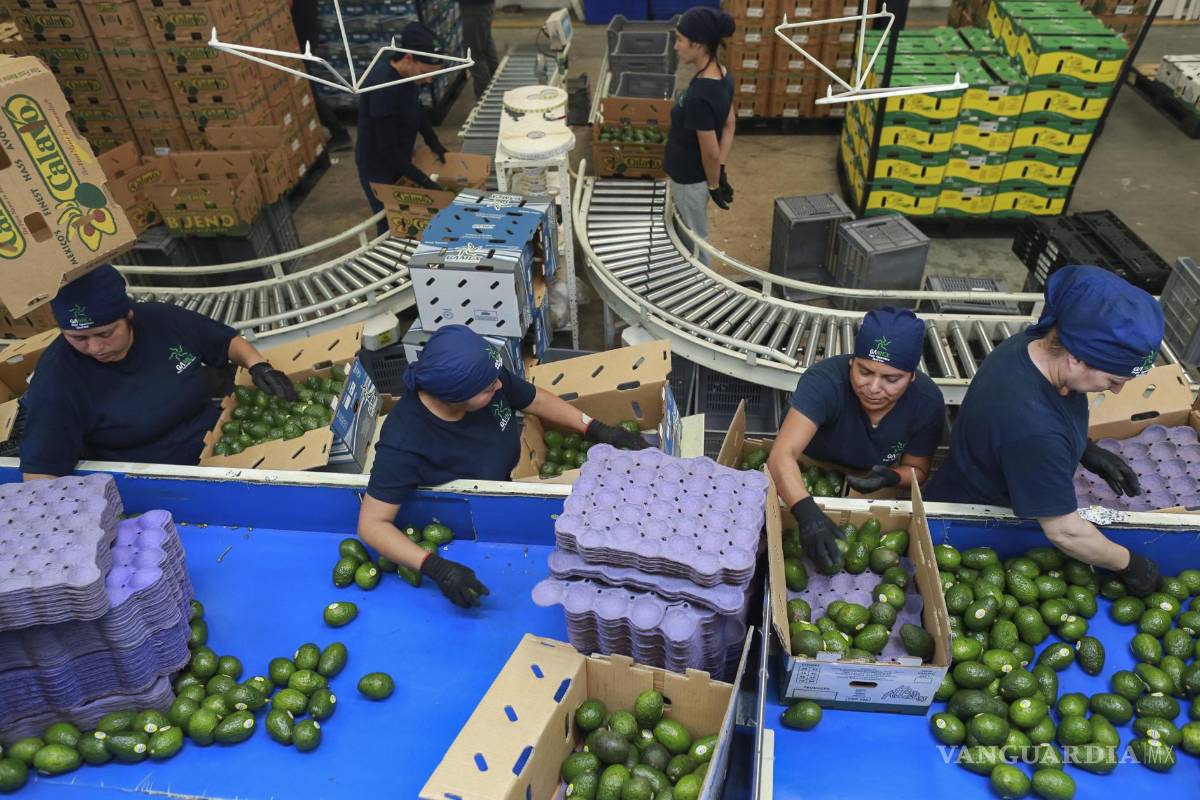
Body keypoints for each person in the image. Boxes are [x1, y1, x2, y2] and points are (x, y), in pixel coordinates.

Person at [357, 326, 650, 608]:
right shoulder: (405, 441)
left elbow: (533, 399)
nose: (499, 385)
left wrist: (594, 428)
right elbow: (371, 525)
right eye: (488, 387)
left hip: (501, 491)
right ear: (455, 398)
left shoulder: (484, 377)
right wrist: (435, 567)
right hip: (467, 527)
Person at [924, 266, 1163, 596]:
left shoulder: (1030, 345)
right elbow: (1065, 532)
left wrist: (1083, 447)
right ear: (1077, 359)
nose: (1117, 392)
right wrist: (1131, 564)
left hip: (965, 479)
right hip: (977, 525)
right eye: (1113, 381)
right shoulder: (1035, 431)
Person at [19, 266, 297, 479]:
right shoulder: (58, 377)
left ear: (128, 316)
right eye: (78, 338)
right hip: (147, 477)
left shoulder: (161, 320)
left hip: (223, 444)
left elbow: (223, 340)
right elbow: (41, 471)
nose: (94, 347)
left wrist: (257, 364)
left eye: (105, 333)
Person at [768, 307, 946, 570]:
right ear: (852, 361)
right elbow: (782, 455)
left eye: (891, 379)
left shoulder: (926, 403)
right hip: (806, 470)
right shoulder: (825, 382)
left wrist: (892, 477)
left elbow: (918, 470)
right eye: (864, 371)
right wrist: (807, 514)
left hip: (866, 481)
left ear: (911, 377)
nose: (873, 388)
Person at [355, 21, 448, 236]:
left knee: (408, 218)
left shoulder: (408, 76)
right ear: (408, 58)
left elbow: (417, 109)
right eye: (425, 72)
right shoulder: (383, 87)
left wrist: (435, 143)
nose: (429, 80)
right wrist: (424, 182)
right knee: (390, 222)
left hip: (399, 158)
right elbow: (387, 149)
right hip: (378, 165)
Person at [663, 7, 737, 267]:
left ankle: (702, 291)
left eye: (679, 40)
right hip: (697, 179)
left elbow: (710, 152)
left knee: (695, 240)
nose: (675, 46)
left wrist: (714, 183)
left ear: (697, 44)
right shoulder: (723, 76)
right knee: (691, 235)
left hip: (689, 182)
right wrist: (720, 172)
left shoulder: (700, 97)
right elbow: (729, 124)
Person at [290, 0, 352, 151]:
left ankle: (338, 132)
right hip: (304, 37)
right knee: (303, 87)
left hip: (299, 40)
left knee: (306, 88)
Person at [458, 0, 499, 100]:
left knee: (474, 54)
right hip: (482, 6)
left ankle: (484, 102)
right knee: (485, 45)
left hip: (474, 7)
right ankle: (497, 88)